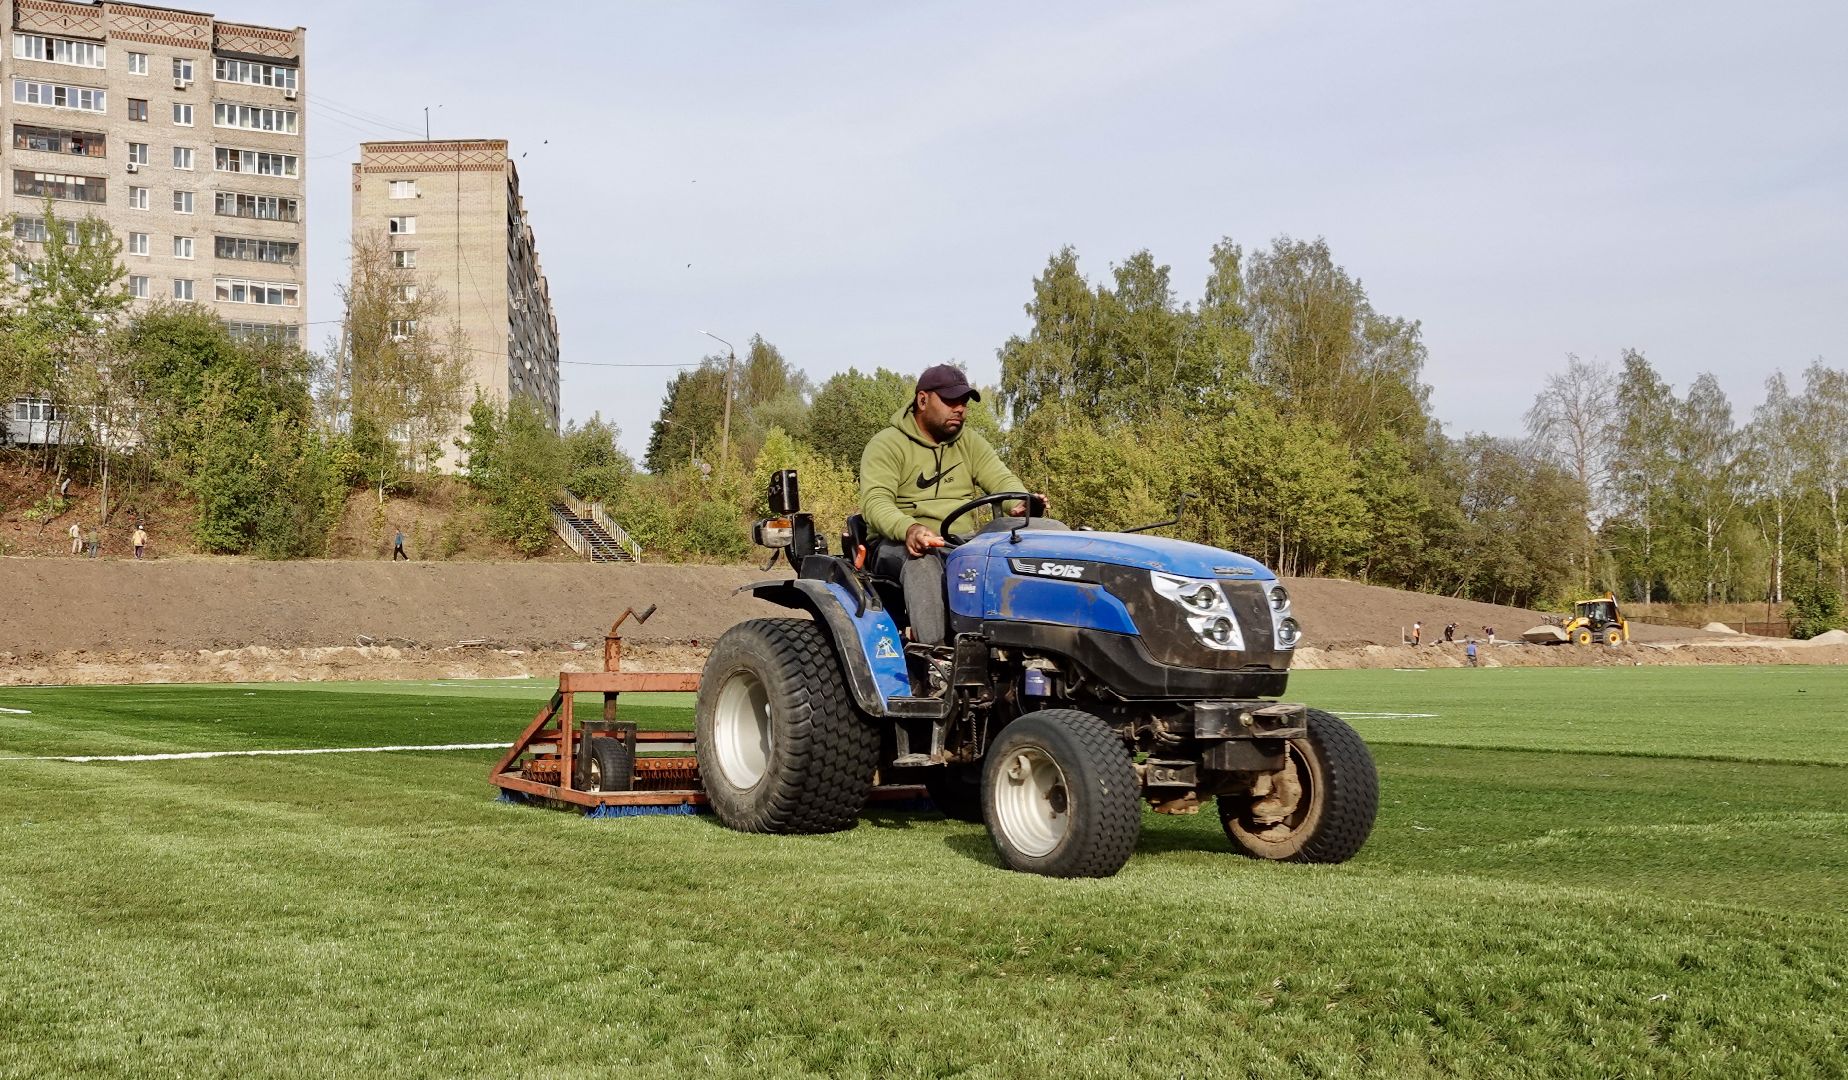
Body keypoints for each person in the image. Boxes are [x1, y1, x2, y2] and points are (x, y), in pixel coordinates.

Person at [860, 364, 1049, 645]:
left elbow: (1001, 480)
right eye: (950, 401)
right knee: (922, 562)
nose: (959, 409)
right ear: (922, 400)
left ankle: (1034, 643)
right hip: (898, 542)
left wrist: (1021, 503)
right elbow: (875, 502)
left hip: (959, 542)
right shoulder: (887, 444)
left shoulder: (969, 442)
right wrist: (909, 529)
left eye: (963, 402)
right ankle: (935, 653)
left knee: (1035, 539)